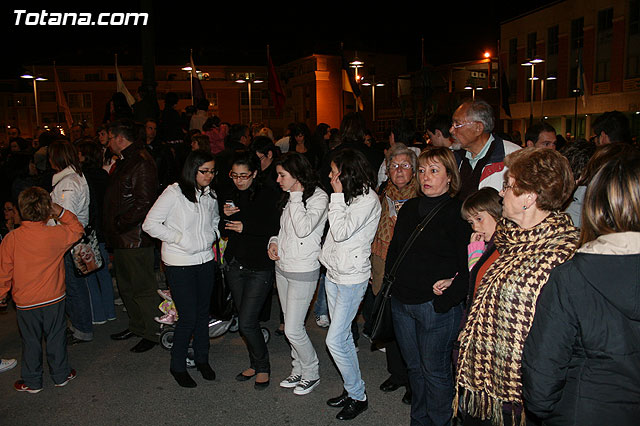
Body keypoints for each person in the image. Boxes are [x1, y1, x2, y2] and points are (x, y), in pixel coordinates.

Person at [455, 148, 580, 426]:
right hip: (483, 379)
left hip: (521, 392)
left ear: (529, 197)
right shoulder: (506, 237)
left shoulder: (563, 254)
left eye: (508, 186)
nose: (501, 194)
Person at [522, 154, 640, 426]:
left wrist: (543, 409)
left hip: (585, 409)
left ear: (595, 205)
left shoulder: (572, 276)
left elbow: (543, 374)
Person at [386, 147, 471, 426]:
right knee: (415, 370)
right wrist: (391, 290)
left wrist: (447, 300)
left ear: (449, 177)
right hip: (402, 303)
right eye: (421, 170)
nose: (426, 177)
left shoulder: (458, 213)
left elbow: (469, 264)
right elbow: (395, 252)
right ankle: (419, 420)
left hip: (435, 308)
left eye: (434, 171)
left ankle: (439, 421)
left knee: (434, 372)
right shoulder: (410, 207)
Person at [143, 150, 220, 388]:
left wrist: (212, 236)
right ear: (192, 169)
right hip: (179, 263)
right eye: (204, 171)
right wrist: (178, 238)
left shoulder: (210, 194)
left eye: (212, 171)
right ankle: (177, 365)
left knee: (203, 314)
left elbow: (215, 221)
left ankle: (202, 358)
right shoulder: (174, 193)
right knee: (187, 317)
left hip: (205, 260)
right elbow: (150, 224)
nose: (209, 176)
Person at [0, 187, 84, 393]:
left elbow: (4, 271)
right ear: (47, 210)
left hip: (25, 301)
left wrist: (1, 293)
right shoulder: (56, 234)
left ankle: (32, 381)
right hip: (54, 297)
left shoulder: (11, 239)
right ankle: (61, 374)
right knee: (56, 336)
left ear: (21, 210)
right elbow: (77, 228)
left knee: (30, 341)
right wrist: (60, 211)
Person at [320, 148, 381, 421]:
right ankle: (353, 390)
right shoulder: (350, 195)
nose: (331, 176)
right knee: (342, 338)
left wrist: (335, 195)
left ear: (348, 174)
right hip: (334, 272)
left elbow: (341, 231)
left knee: (335, 340)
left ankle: (359, 396)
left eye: (335, 172)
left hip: (351, 278)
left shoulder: (367, 199)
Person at [267, 152, 328, 395]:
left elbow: (303, 230)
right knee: (292, 324)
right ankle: (298, 368)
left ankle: (311, 372)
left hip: (303, 268)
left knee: (292, 328)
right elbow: (284, 229)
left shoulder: (319, 197)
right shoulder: (290, 196)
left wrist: (295, 195)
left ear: (297, 175)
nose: (278, 180)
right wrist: (273, 241)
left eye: (282, 175)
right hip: (282, 266)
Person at [222, 151, 280, 390]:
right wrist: (222, 217)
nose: (239, 180)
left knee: (246, 321)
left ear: (255, 174)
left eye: (244, 176)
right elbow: (224, 229)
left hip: (259, 266)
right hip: (235, 264)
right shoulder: (231, 194)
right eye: (234, 175)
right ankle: (255, 363)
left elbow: (274, 226)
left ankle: (264, 366)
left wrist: (246, 226)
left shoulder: (268, 195)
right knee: (247, 319)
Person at [104, 119, 160, 353]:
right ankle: (138, 326)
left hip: (134, 237)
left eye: (109, 137)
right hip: (123, 237)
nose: (107, 142)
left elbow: (145, 202)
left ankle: (153, 331)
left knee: (142, 288)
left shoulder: (140, 162)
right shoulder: (127, 160)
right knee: (127, 287)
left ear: (119, 138)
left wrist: (120, 224)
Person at [370, 143, 420, 405]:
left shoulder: (422, 194)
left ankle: (414, 381)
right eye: (394, 166)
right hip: (381, 261)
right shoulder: (381, 192)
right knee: (387, 319)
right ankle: (396, 374)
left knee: (410, 325)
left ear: (414, 170)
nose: (399, 170)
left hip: (409, 264)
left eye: (405, 165)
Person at [48, 140, 93, 344]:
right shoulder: (71, 178)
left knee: (73, 288)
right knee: (75, 287)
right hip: (71, 240)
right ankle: (80, 327)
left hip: (68, 243)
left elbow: (67, 217)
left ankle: (81, 329)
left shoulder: (68, 183)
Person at [76, 140, 116, 325]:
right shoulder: (103, 175)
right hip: (103, 230)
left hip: (89, 229)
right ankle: (109, 311)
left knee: (89, 273)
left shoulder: (82, 178)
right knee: (103, 273)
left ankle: (98, 314)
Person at [450, 99, 521, 200]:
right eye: (452, 124)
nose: (451, 130)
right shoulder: (453, 157)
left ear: (478, 128)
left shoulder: (513, 158)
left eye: (457, 125)